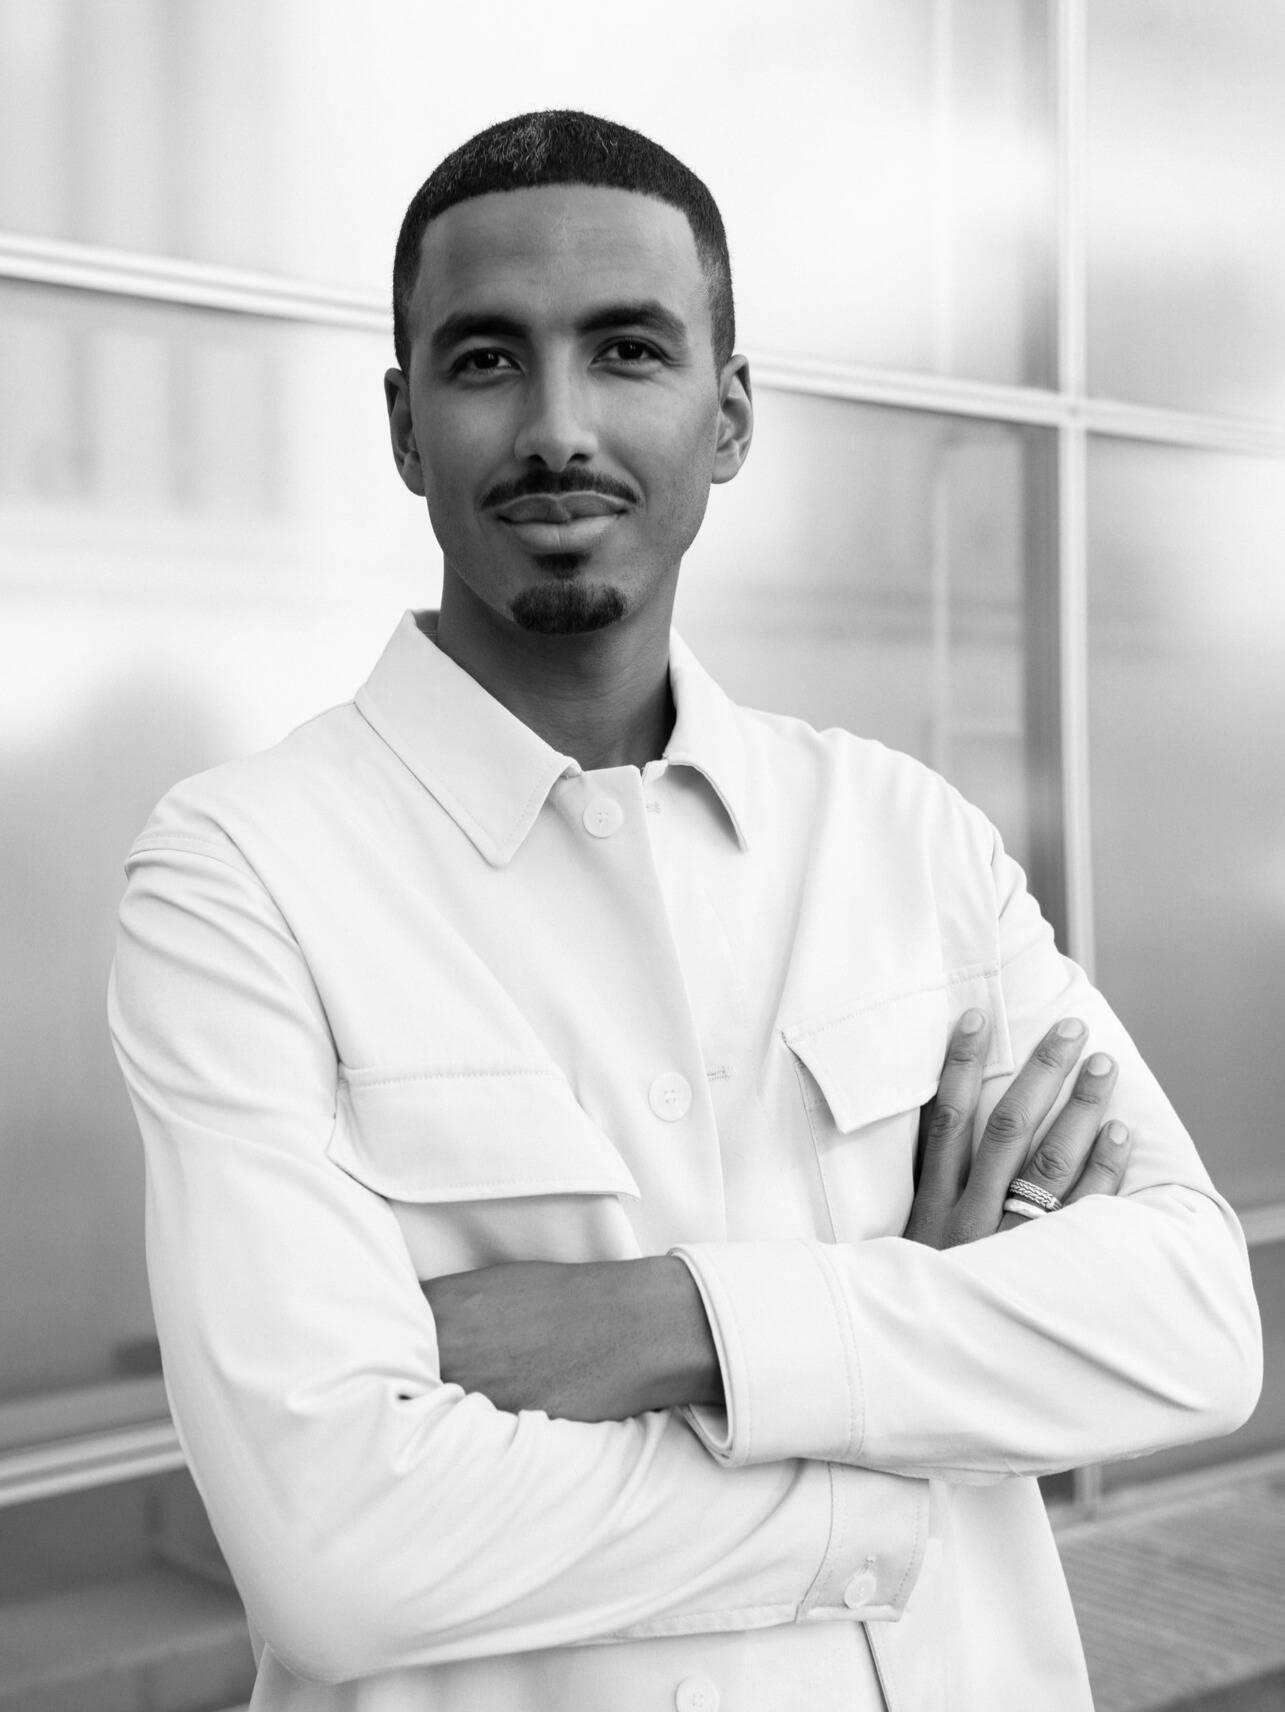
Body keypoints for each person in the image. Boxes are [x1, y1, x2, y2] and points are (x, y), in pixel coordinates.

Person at [108, 110, 1261, 1712]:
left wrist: (669, 1324)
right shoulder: (240, 872)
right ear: (404, 425)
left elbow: (1191, 1329)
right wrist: (913, 1392)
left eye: (628, 351)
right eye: (486, 360)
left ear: (727, 416)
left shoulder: (902, 832)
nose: (558, 426)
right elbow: (341, 1555)